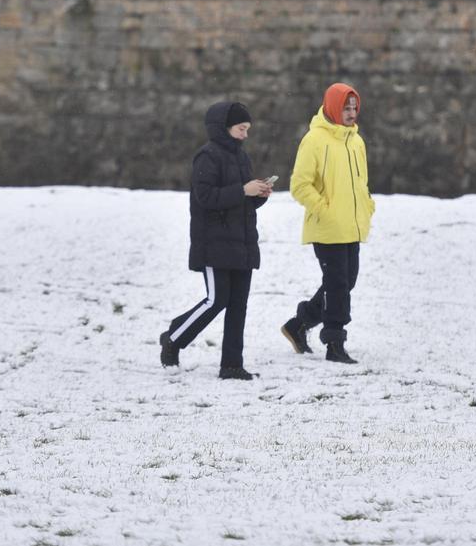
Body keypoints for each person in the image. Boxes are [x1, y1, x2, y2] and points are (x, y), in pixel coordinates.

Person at [160, 101, 272, 380]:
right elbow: (206, 198)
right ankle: (174, 337)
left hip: (242, 244)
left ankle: (232, 364)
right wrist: (242, 190)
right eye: (241, 128)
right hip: (214, 245)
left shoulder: (242, 157)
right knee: (216, 300)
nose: (246, 134)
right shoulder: (206, 157)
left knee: (238, 305)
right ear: (224, 128)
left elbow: (240, 201)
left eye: (247, 129)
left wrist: (258, 195)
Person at [281, 83, 375, 364]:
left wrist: (367, 204)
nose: (351, 113)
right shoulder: (314, 140)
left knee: (346, 282)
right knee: (337, 286)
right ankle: (334, 343)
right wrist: (324, 209)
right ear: (333, 107)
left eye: (354, 107)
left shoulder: (356, 141)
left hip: (352, 226)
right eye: (346, 108)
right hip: (327, 227)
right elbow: (299, 185)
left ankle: (299, 324)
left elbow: (362, 182)